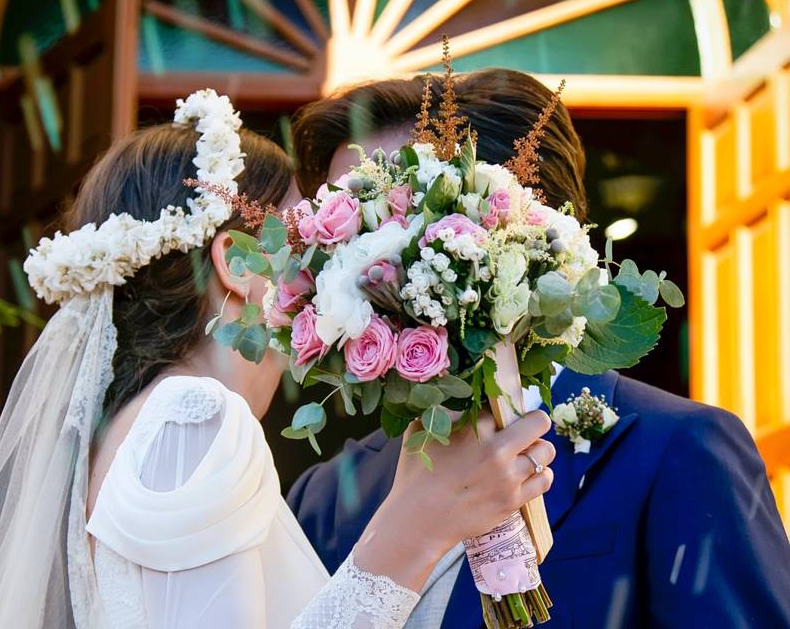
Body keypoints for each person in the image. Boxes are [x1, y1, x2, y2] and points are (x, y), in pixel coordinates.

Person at [0, 89, 557, 629]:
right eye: (302, 238)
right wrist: (415, 528)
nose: (323, 265)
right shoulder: (193, 415)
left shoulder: (138, 421)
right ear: (235, 262)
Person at [287, 70, 790, 628]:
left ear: (517, 232)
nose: (360, 267)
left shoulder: (680, 450)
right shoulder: (326, 496)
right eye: (338, 241)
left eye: (388, 221)